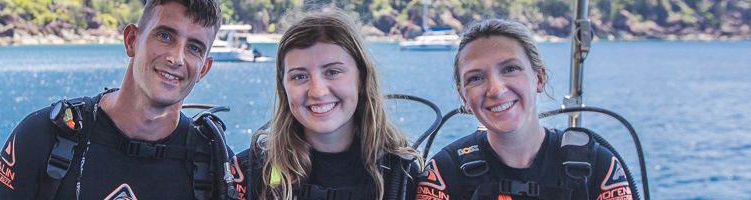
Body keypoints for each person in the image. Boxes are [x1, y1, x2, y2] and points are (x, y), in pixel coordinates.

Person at [0, 0, 236, 199]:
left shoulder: (214, 164)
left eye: (194, 48)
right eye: (165, 36)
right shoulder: (45, 136)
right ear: (131, 41)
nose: (176, 58)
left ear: (204, 69)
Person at [415, 19, 638, 200]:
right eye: (476, 78)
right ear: (464, 97)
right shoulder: (445, 172)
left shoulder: (597, 165)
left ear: (539, 79)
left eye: (510, 69)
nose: (496, 89)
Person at [230, 8, 421, 200]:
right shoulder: (250, 172)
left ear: (361, 79)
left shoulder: (402, 175)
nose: (318, 91)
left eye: (333, 72)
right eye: (300, 76)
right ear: (284, 87)